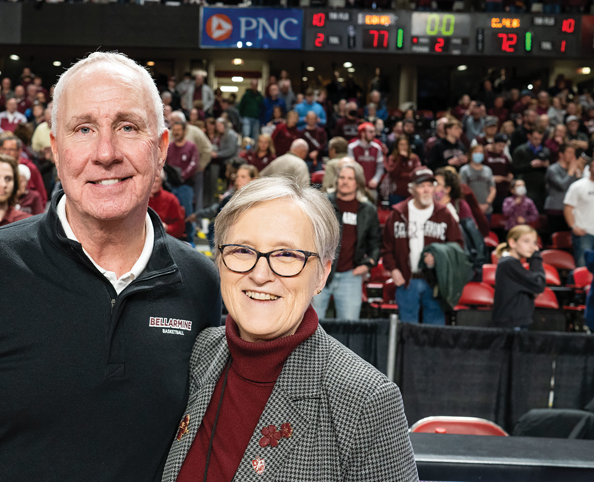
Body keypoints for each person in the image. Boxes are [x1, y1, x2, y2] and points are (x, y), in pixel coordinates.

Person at [0, 52, 221, 481]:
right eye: (83, 129)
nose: (105, 152)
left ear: (161, 148)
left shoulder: (200, 284)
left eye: (128, 127)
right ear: (55, 149)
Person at [163, 177, 418, 482]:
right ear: (219, 260)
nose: (260, 274)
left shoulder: (366, 401)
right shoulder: (198, 353)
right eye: (242, 250)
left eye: (286, 255)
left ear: (322, 274)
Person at [381, 167, 463, 325]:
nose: (426, 190)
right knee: (407, 329)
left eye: (430, 185)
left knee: (434, 330)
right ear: (412, 189)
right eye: (421, 186)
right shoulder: (398, 214)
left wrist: (439, 258)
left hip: (436, 281)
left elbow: (457, 246)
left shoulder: (445, 214)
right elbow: (386, 247)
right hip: (407, 280)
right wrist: (394, 269)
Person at [313, 162, 380, 321]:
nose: (345, 181)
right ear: (336, 180)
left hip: (350, 276)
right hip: (319, 272)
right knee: (310, 326)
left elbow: (376, 242)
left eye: (350, 178)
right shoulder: (323, 203)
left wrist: (367, 263)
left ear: (358, 182)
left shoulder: (367, 209)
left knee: (350, 328)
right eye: (342, 177)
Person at [492, 225, 545, 329]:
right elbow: (539, 283)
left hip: (515, 322)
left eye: (534, 242)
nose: (532, 247)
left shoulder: (512, 263)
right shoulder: (508, 263)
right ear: (512, 243)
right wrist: (536, 258)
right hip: (511, 323)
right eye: (526, 241)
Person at [167, 121, 199, 242]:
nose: (176, 132)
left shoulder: (191, 147)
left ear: (185, 131)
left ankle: (190, 240)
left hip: (185, 186)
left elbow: (194, 164)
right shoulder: (169, 147)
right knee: (171, 215)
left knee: (187, 214)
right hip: (170, 186)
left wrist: (182, 176)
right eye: (174, 130)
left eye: (179, 130)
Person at [0, 135, 47, 208]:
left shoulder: (30, 168)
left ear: (19, 150)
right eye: (4, 149)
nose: (7, 153)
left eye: (11, 149)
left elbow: (42, 196)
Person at [564, 159, 594, 267]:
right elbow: (568, 207)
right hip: (584, 232)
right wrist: (573, 226)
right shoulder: (578, 186)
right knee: (583, 266)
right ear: (589, 169)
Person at [545, 143, 581, 233]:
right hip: (555, 209)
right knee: (556, 237)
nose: (572, 156)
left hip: (570, 210)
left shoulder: (573, 170)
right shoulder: (552, 169)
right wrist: (571, 172)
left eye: (573, 153)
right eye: (569, 152)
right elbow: (562, 186)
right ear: (561, 154)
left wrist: (579, 175)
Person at [512, 128, 550, 211]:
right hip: (526, 187)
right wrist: (530, 165)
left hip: (540, 188)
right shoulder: (520, 150)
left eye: (540, 139)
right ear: (529, 136)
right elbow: (515, 168)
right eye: (535, 138)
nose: (538, 141)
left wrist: (546, 165)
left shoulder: (545, 151)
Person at [347, 121, 385, 195]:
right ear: (363, 133)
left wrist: (375, 180)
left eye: (374, 132)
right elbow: (351, 167)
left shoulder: (377, 148)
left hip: (372, 187)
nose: (374, 134)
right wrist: (357, 181)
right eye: (371, 132)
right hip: (356, 187)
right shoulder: (352, 147)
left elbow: (380, 167)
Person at [460, 144, 496, 216]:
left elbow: (493, 189)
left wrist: (487, 204)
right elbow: (463, 190)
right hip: (470, 209)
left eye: (481, 152)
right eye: (476, 152)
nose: (478, 154)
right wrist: (476, 205)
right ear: (470, 154)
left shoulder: (488, 170)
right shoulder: (464, 170)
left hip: (486, 209)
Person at [148, 171, 185, 239]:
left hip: (165, 239)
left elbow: (180, 227)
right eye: (151, 181)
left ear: (161, 182)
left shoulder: (171, 199)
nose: (153, 184)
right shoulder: (139, 199)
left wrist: (166, 228)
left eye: (156, 181)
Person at [387, 135, 421, 205]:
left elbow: (416, 174)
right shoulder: (392, 158)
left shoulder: (414, 158)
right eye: (401, 144)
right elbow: (393, 173)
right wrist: (400, 158)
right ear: (397, 146)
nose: (404, 147)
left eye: (406, 144)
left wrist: (402, 175)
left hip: (411, 192)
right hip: (396, 192)